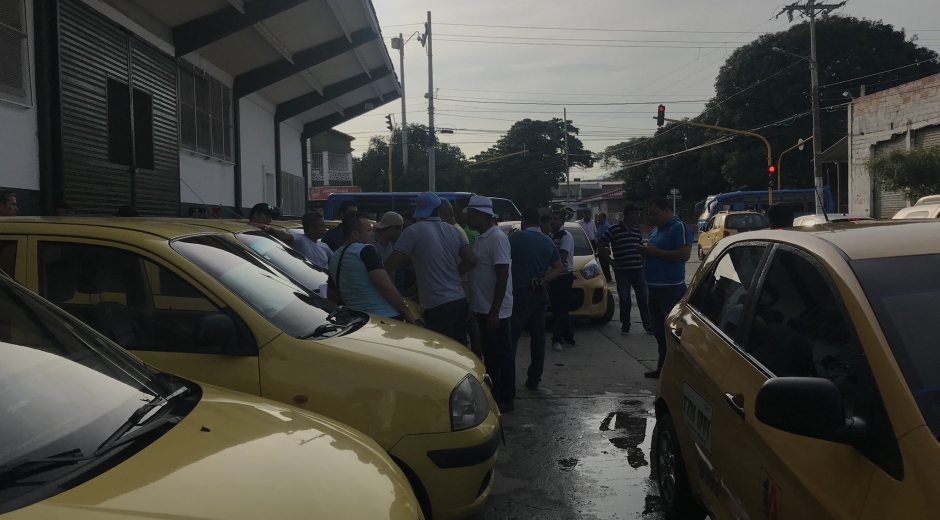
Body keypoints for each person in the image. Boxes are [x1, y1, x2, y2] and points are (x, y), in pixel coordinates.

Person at [385, 192, 477, 343]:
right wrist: (452, 273)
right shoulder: (453, 230)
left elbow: (390, 266)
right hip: (459, 300)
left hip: (437, 305)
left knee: (441, 354)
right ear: (438, 209)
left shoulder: (413, 231)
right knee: (459, 352)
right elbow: (472, 261)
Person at [465, 195, 514, 412]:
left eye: (471, 214)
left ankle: (506, 398)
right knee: (491, 356)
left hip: (496, 311)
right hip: (483, 308)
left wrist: (495, 310)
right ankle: (494, 395)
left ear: (481, 215)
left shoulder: (497, 238)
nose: (468, 218)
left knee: (502, 357)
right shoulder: (481, 237)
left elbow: (502, 276)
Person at [510, 208, 563, 402]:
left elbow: (502, 260)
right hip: (540, 292)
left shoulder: (516, 239)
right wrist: (543, 279)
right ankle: (534, 379)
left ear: (523, 220)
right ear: (539, 223)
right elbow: (558, 266)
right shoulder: (547, 241)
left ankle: (509, 379)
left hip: (521, 294)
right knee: (538, 337)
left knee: (512, 336)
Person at [637, 197, 694, 378]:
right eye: (650, 214)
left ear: (667, 210)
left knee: (675, 332)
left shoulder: (680, 228)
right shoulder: (655, 230)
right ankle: (663, 367)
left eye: (656, 213)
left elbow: (684, 254)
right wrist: (645, 253)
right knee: (660, 332)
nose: (653, 217)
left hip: (671, 288)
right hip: (653, 288)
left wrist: (656, 253)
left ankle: (679, 369)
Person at [327, 212, 415, 323]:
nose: (373, 234)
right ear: (355, 235)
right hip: (383, 317)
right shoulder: (366, 250)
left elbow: (331, 294)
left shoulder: (335, 256)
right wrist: (407, 314)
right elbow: (385, 286)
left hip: (356, 320)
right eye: (369, 231)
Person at [598, 204, 651, 335]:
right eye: (636, 214)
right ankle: (625, 325)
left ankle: (648, 325)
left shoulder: (637, 230)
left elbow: (640, 246)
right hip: (622, 271)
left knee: (643, 298)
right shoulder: (614, 230)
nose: (638, 217)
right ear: (627, 214)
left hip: (638, 269)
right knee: (625, 298)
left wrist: (643, 258)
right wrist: (610, 260)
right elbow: (600, 243)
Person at [549, 210, 576, 351]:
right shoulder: (551, 236)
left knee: (561, 310)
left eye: (555, 219)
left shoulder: (566, 236)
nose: (552, 221)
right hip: (554, 277)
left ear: (562, 221)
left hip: (564, 276)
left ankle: (556, 339)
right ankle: (569, 336)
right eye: (551, 219)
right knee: (559, 309)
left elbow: (562, 257)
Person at [595, 212, 612, 281]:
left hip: (604, 245)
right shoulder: (601, 225)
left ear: (604, 217)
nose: (598, 219)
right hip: (601, 244)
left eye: (600, 217)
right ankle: (606, 276)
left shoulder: (605, 225)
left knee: (604, 262)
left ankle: (608, 277)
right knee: (602, 262)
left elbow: (599, 235)